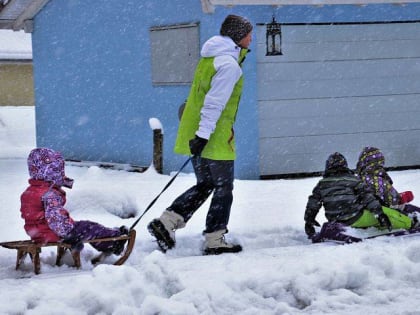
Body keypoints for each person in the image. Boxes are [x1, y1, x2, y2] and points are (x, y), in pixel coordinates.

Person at [148, 14, 253, 255]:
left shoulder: (210, 59)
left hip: (198, 131)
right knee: (223, 189)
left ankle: (168, 221)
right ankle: (215, 239)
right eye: (248, 33)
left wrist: (198, 134)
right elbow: (213, 103)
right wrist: (204, 135)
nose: (251, 37)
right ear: (238, 37)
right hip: (214, 135)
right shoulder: (228, 65)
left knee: (206, 184)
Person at [20, 147, 128, 256]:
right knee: (89, 228)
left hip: (37, 233)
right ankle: (113, 242)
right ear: (51, 172)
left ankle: (111, 236)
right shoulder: (49, 194)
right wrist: (69, 234)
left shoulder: (29, 192)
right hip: (55, 232)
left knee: (84, 228)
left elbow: (33, 216)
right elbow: (55, 218)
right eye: (58, 170)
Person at [304, 152, 414, 242]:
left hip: (335, 219)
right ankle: (411, 223)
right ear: (345, 166)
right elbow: (368, 198)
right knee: (392, 216)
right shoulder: (353, 180)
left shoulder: (321, 184)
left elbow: (313, 204)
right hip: (356, 217)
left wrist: (309, 221)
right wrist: (380, 213)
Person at [356, 146, 420, 216]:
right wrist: (401, 199)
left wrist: (398, 196)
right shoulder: (376, 180)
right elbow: (387, 205)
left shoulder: (362, 178)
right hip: (388, 215)